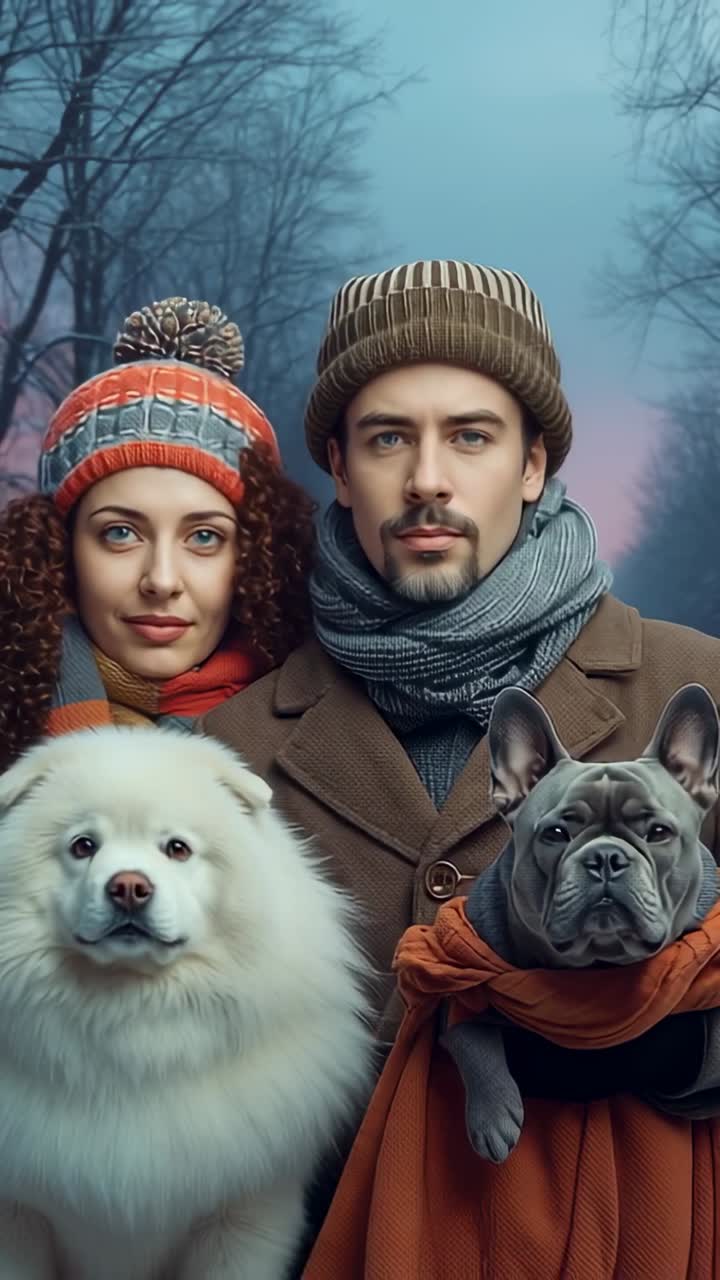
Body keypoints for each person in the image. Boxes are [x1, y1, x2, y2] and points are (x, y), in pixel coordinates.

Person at [0, 295, 315, 773]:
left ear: (255, 560)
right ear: (58, 552)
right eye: (121, 533)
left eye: (204, 537)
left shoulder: (321, 741)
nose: (162, 580)